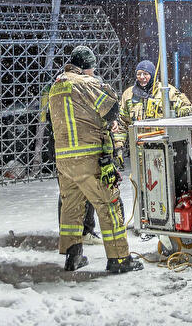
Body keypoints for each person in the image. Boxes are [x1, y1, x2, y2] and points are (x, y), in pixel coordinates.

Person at [48, 45, 142, 273]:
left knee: (71, 207)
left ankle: (73, 256)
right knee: (108, 204)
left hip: (64, 159)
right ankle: (119, 259)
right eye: (91, 69)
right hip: (88, 157)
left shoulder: (56, 87)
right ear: (85, 67)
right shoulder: (87, 83)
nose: (93, 72)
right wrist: (105, 89)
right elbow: (110, 111)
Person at [39, 83, 101, 245]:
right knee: (82, 194)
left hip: (65, 154)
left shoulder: (56, 96)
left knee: (69, 196)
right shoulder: (75, 98)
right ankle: (82, 233)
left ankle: (72, 236)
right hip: (76, 154)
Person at [118, 59, 192, 134]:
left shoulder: (167, 92)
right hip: (139, 143)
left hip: (163, 141)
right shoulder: (128, 95)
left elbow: (187, 107)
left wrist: (183, 111)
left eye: (145, 74)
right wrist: (119, 144)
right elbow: (122, 123)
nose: (142, 77)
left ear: (153, 75)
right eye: (139, 74)